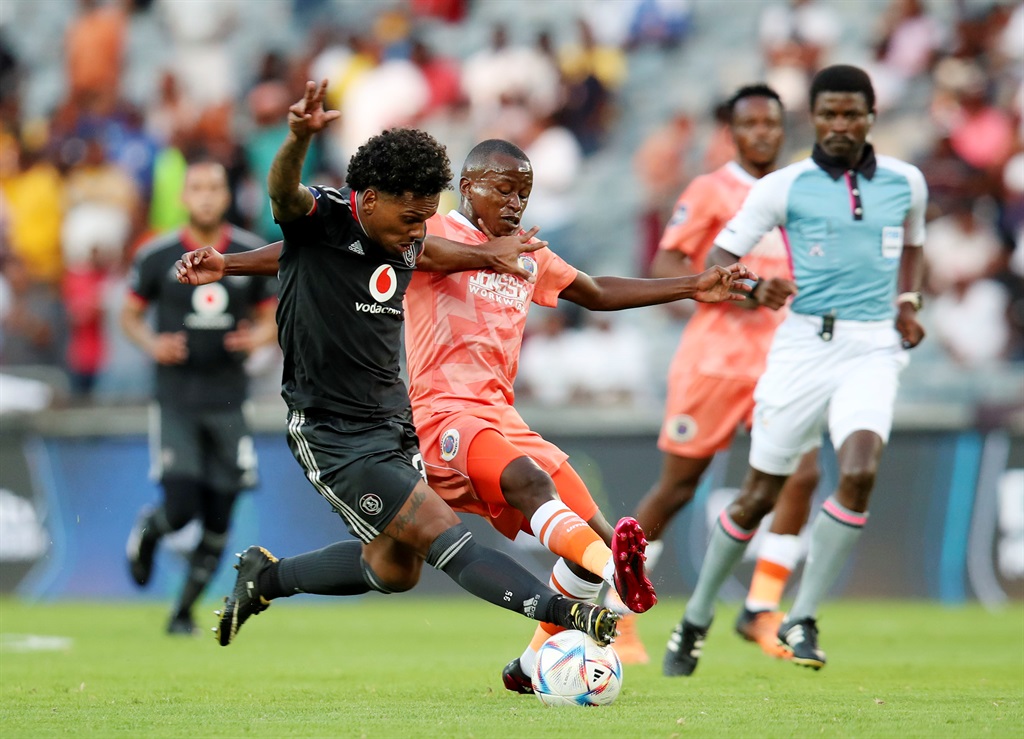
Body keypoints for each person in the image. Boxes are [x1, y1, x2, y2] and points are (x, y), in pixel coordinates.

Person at [176, 80, 625, 654]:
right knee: (444, 538)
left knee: (394, 570)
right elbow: (283, 196)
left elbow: (434, 252)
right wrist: (294, 142)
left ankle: (266, 577)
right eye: (411, 219)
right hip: (332, 432)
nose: (418, 233)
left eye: (425, 219)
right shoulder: (321, 220)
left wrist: (490, 254)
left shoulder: (405, 238)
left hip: (394, 421)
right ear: (368, 199)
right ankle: (570, 616)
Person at [403, 138, 755, 693]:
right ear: (467, 187)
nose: (516, 203)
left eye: (525, 192)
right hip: (443, 415)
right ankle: (620, 576)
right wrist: (491, 255)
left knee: (593, 536)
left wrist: (693, 284)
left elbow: (593, 291)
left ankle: (531, 660)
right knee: (532, 485)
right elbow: (411, 255)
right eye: (503, 189)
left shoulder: (528, 252)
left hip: (502, 417)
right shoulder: (433, 234)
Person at [663, 64, 927, 675]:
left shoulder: (907, 183)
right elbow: (724, 257)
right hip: (803, 344)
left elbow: (912, 246)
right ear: (815, 118)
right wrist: (754, 286)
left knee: (858, 471)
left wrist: (908, 303)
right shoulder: (784, 187)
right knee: (759, 495)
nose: (840, 124)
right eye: (829, 113)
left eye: (851, 113)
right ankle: (697, 616)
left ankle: (801, 616)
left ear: (870, 116)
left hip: (872, 346)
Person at [611, 84, 821, 667]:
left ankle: (761, 605)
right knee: (677, 488)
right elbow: (666, 263)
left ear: (783, 130)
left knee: (802, 474)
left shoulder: (799, 192)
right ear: (732, 131)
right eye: (750, 124)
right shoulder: (710, 190)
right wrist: (740, 288)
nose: (762, 133)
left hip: (781, 362)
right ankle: (615, 609)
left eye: (771, 124)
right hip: (714, 363)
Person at [122, 159, 278, 635]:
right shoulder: (156, 255)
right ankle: (152, 528)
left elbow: (273, 314)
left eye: (215, 187)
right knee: (183, 502)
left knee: (220, 512)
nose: (207, 195)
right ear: (184, 197)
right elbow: (129, 315)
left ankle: (182, 612)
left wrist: (256, 339)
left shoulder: (251, 253)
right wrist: (153, 344)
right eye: (198, 188)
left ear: (227, 196)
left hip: (231, 398)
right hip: (178, 398)